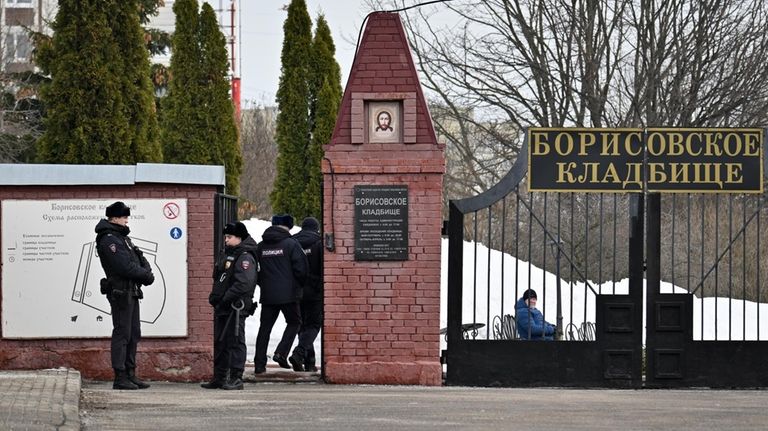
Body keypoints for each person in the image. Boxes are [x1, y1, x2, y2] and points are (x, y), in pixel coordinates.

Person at [95, 201, 155, 390]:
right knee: (122, 333)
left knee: (133, 333)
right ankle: (120, 376)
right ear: (114, 218)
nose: (127, 220)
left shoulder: (123, 239)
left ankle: (130, 373)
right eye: (124, 217)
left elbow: (139, 258)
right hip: (120, 292)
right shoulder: (109, 239)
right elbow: (123, 266)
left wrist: (146, 271)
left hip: (132, 291)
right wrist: (144, 274)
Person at [201, 222, 258, 390]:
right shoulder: (229, 254)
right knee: (221, 342)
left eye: (229, 237)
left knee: (235, 341)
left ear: (239, 238)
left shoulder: (245, 256)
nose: (226, 240)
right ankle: (219, 377)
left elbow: (244, 283)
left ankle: (236, 378)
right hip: (224, 306)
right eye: (225, 237)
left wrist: (225, 298)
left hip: (235, 306)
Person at [253, 214, 308, 373]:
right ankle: (281, 352)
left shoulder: (261, 246)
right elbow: (301, 270)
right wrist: (298, 286)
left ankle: (259, 364)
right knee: (295, 322)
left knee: (265, 329)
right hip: (289, 295)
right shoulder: (291, 244)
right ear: (288, 227)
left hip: (268, 295)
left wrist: (263, 284)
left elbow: (254, 270)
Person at [288, 217, 323, 372]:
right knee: (314, 324)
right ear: (316, 228)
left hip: (297, 290)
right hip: (315, 291)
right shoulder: (319, 242)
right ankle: (299, 353)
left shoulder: (293, 242)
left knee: (302, 325)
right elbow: (323, 268)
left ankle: (309, 361)